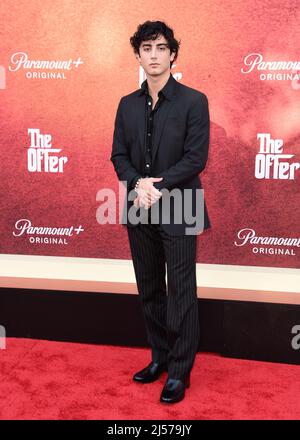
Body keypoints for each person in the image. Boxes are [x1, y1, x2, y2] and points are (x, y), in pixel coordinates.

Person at [110, 20, 210, 404]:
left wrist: (157, 184)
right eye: (146, 48)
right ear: (138, 55)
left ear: (172, 54)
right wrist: (138, 184)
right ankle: (160, 358)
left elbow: (195, 158)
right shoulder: (126, 104)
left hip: (180, 203)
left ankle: (180, 372)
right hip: (139, 204)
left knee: (181, 290)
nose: (153, 55)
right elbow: (118, 154)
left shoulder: (193, 100)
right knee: (150, 287)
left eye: (160, 48)